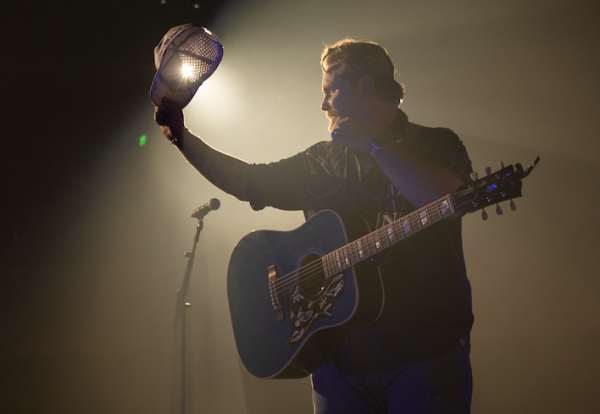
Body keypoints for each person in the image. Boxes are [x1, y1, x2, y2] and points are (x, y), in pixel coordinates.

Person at [155, 38, 474, 414]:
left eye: (331, 91)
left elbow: (444, 197)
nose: (323, 104)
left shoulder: (435, 142)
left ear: (365, 87)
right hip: (336, 366)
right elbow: (247, 181)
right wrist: (181, 138)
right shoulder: (321, 161)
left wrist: (373, 145)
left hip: (423, 355)